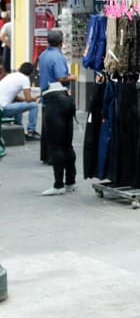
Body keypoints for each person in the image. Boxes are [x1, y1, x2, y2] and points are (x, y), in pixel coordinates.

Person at [37, 28, 75, 196]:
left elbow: (59, 77)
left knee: (56, 144)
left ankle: (58, 183)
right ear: (61, 41)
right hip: (64, 98)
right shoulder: (59, 56)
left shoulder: (44, 56)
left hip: (53, 100)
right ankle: (70, 181)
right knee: (67, 142)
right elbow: (62, 77)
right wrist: (71, 77)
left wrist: (70, 77)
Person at [0, 62, 38, 139]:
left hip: (1, 106)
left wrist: (24, 100)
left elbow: (15, 97)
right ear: (31, 73)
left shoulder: (11, 75)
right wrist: (35, 98)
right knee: (34, 105)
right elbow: (28, 99)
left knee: (18, 104)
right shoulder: (25, 79)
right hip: (3, 109)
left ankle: (18, 127)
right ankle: (31, 131)